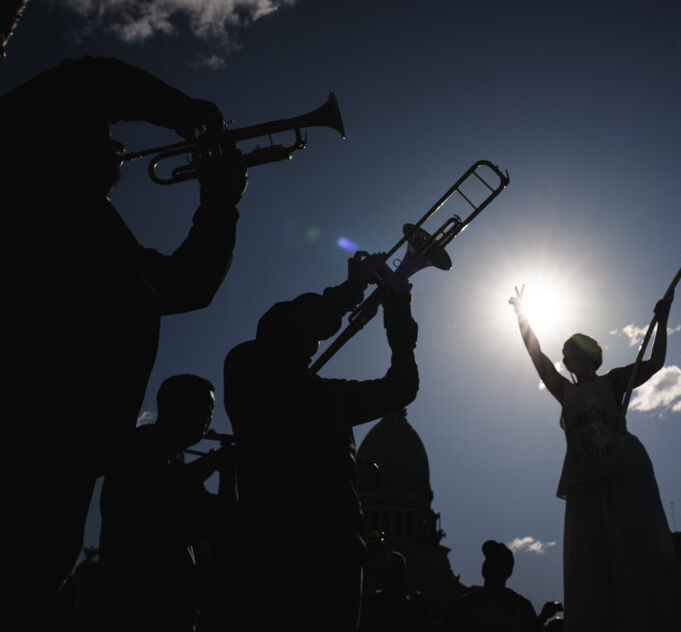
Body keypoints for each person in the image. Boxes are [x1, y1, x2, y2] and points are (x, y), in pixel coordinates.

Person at [2, 56, 247, 630]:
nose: (117, 147)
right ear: (57, 142)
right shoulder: (23, 190)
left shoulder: (106, 237)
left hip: (67, 469)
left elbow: (189, 285)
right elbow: (87, 79)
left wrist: (220, 202)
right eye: (104, 134)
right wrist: (187, 113)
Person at [220, 253, 419, 632]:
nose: (313, 340)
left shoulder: (327, 395)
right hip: (274, 545)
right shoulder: (247, 364)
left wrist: (398, 313)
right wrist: (351, 289)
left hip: (338, 549)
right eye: (305, 328)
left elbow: (401, 388)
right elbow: (310, 322)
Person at [509, 286, 681, 631]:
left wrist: (662, 320)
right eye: (564, 352)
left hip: (623, 469)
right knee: (589, 565)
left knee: (634, 551)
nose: (565, 355)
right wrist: (522, 316)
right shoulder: (565, 391)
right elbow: (536, 357)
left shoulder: (614, 381)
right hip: (584, 479)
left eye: (571, 349)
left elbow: (657, 362)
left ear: (589, 353)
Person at [97, 374, 236, 632]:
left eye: (211, 410)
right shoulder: (142, 443)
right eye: (202, 406)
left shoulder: (176, 461)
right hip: (134, 609)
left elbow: (221, 520)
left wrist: (229, 471)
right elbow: (159, 493)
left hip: (174, 613)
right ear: (173, 405)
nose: (208, 416)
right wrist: (215, 463)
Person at [445, 540, 542, 632]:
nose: (490, 564)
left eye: (497, 561)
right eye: (489, 559)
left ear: (508, 571)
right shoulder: (464, 605)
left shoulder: (521, 606)